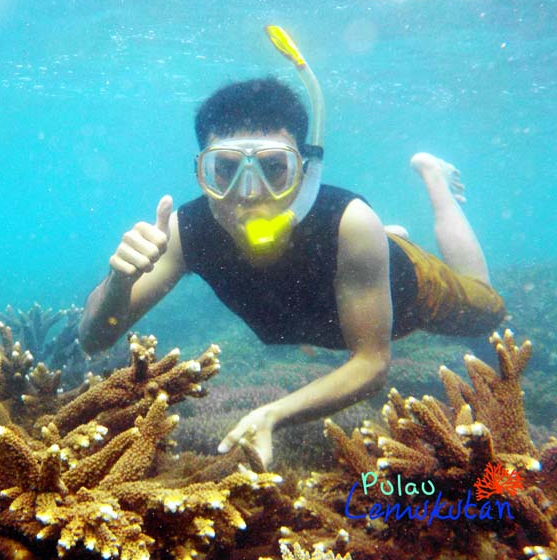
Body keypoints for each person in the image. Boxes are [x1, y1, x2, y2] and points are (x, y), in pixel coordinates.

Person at [78, 30, 505, 467]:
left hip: (408, 286)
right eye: (223, 170)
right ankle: (389, 237)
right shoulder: (184, 233)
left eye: (273, 168)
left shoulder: (350, 224)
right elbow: (93, 339)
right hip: (352, 273)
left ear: (304, 171)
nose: (248, 193)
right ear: (198, 173)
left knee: (489, 310)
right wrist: (119, 280)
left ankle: (433, 179)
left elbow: (372, 362)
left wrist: (274, 415)